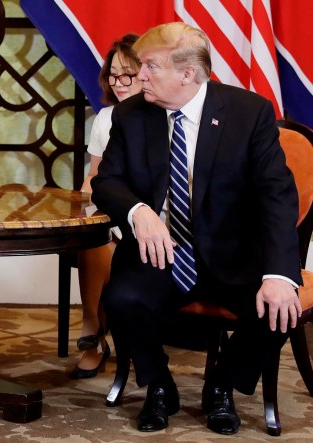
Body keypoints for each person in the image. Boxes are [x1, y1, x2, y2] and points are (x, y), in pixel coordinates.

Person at [91, 22, 301, 435]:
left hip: (232, 253)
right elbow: (106, 181)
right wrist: (139, 211)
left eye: (149, 67)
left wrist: (279, 274)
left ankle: (222, 385)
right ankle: (159, 385)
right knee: (122, 298)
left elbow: (277, 195)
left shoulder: (248, 112)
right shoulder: (133, 113)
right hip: (161, 250)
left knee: (281, 310)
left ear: (187, 74)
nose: (140, 77)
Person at [70, 34, 141, 380]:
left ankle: (95, 331)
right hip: (112, 209)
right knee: (92, 234)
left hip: (151, 213)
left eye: (128, 74)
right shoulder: (105, 118)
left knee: (104, 237)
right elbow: (93, 177)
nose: (120, 83)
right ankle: (93, 328)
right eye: (114, 75)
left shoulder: (164, 116)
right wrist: (78, 208)